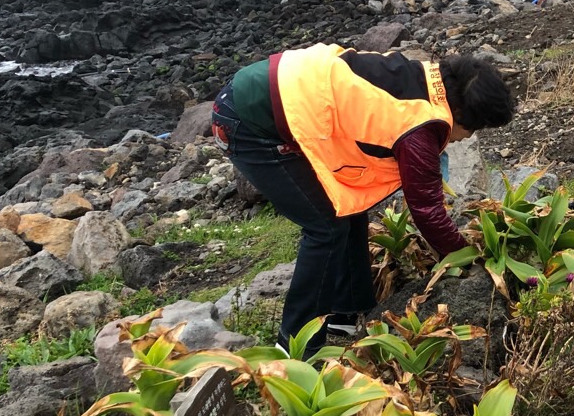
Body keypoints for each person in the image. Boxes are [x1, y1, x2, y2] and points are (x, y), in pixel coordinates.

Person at [211, 45, 515, 352]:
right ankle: (296, 345)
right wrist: (470, 257)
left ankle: (347, 312)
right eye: (475, 128)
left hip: (273, 93)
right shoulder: (420, 125)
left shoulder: (426, 79)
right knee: (325, 228)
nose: (469, 137)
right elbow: (427, 211)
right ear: (462, 113)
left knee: (348, 206)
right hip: (247, 120)